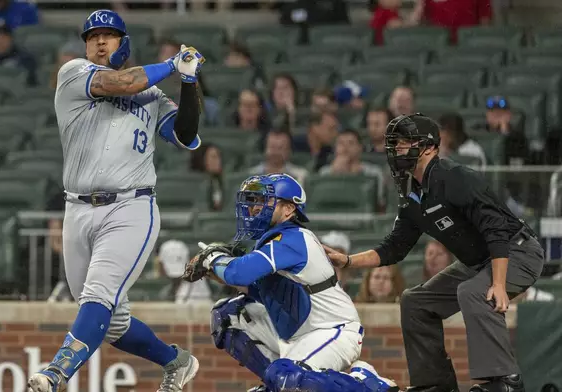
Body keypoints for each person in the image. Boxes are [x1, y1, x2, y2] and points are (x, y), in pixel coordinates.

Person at [27, 9, 205, 392]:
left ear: (124, 43)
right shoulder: (73, 73)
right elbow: (122, 83)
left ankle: (57, 372)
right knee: (111, 321)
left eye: (108, 36)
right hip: (77, 209)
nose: (100, 42)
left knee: (98, 297)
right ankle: (177, 361)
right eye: (92, 37)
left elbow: (186, 134)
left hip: (131, 207)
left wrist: (189, 82)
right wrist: (173, 63)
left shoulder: (153, 95)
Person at [323, 113, 545, 392]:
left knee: (473, 292)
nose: (396, 150)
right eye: (394, 144)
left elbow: (496, 228)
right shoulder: (412, 194)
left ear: (428, 147)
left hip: (517, 251)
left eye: (403, 143)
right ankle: (434, 384)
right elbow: (394, 248)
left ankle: (504, 381)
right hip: (477, 261)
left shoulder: (455, 177)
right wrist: (347, 261)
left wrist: (499, 284)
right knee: (416, 301)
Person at [187, 173, 398, 392]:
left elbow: (239, 273)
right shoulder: (271, 241)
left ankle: (367, 384)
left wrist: (212, 259)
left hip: (331, 330)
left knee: (286, 378)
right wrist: (216, 272)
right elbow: (262, 292)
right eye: (254, 201)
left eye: (264, 201)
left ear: (288, 209)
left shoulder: (295, 237)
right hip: (296, 332)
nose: (255, 207)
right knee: (228, 315)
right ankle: (276, 383)